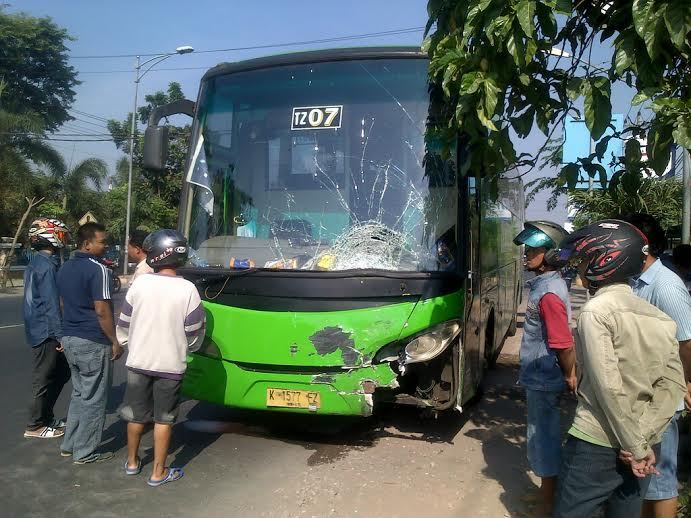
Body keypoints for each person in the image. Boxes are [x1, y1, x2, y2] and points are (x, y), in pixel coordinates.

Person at [554, 220, 686, 518]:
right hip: (645, 445)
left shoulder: (595, 312)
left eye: (586, 259)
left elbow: (607, 386)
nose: (580, 267)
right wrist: (643, 440)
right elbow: (673, 386)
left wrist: (634, 446)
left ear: (606, 259)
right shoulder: (661, 320)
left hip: (595, 443)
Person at [116, 229, 205, 486]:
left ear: (154, 253)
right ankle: (158, 472)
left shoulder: (141, 283)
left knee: (135, 415)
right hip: (170, 365)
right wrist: (188, 347)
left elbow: (125, 322)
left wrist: (127, 344)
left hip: (138, 362)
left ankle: (132, 463)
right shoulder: (188, 289)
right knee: (163, 419)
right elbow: (194, 330)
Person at [623, 214, 691, 518]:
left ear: (642, 246)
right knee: (646, 477)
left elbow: (687, 342)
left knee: (660, 479)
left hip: (661, 399)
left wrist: (684, 384)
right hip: (642, 396)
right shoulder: (635, 282)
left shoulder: (666, 286)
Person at [512, 221, 575, 517]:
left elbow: (562, 341)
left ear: (552, 255)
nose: (527, 254)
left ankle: (547, 503)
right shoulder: (546, 286)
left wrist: (569, 373)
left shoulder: (549, 293)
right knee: (543, 434)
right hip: (541, 375)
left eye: (534, 250)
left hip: (544, 377)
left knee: (544, 437)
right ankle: (546, 493)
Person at [57, 222, 123, 464]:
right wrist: (114, 340)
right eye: (102, 241)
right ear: (87, 243)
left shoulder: (64, 268)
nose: (106, 246)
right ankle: (85, 452)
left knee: (79, 393)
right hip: (93, 340)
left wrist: (66, 333)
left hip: (70, 337)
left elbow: (63, 304)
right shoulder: (100, 270)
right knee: (95, 399)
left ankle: (70, 444)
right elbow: (102, 310)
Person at [22, 218, 72, 439]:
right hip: (46, 331)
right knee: (43, 379)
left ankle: (47, 416)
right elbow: (52, 304)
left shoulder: (38, 262)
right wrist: (61, 336)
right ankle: (34, 425)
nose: (64, 238)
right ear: (50, 236)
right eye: (61, 234)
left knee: (61, 373)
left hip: (40, 327)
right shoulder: (46, 266)